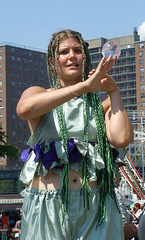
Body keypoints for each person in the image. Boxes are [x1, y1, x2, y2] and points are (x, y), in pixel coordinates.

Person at [17, 29, 134, 240]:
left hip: (97, 206)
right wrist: (83, 87)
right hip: (47, 205)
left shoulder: (100, 105)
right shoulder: (39, 94)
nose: (72, 56)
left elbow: (121, 138)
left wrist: (114, 91)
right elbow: (24, 109)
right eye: (64, 52)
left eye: (78, 50)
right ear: (53, 62)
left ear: (85, 59)